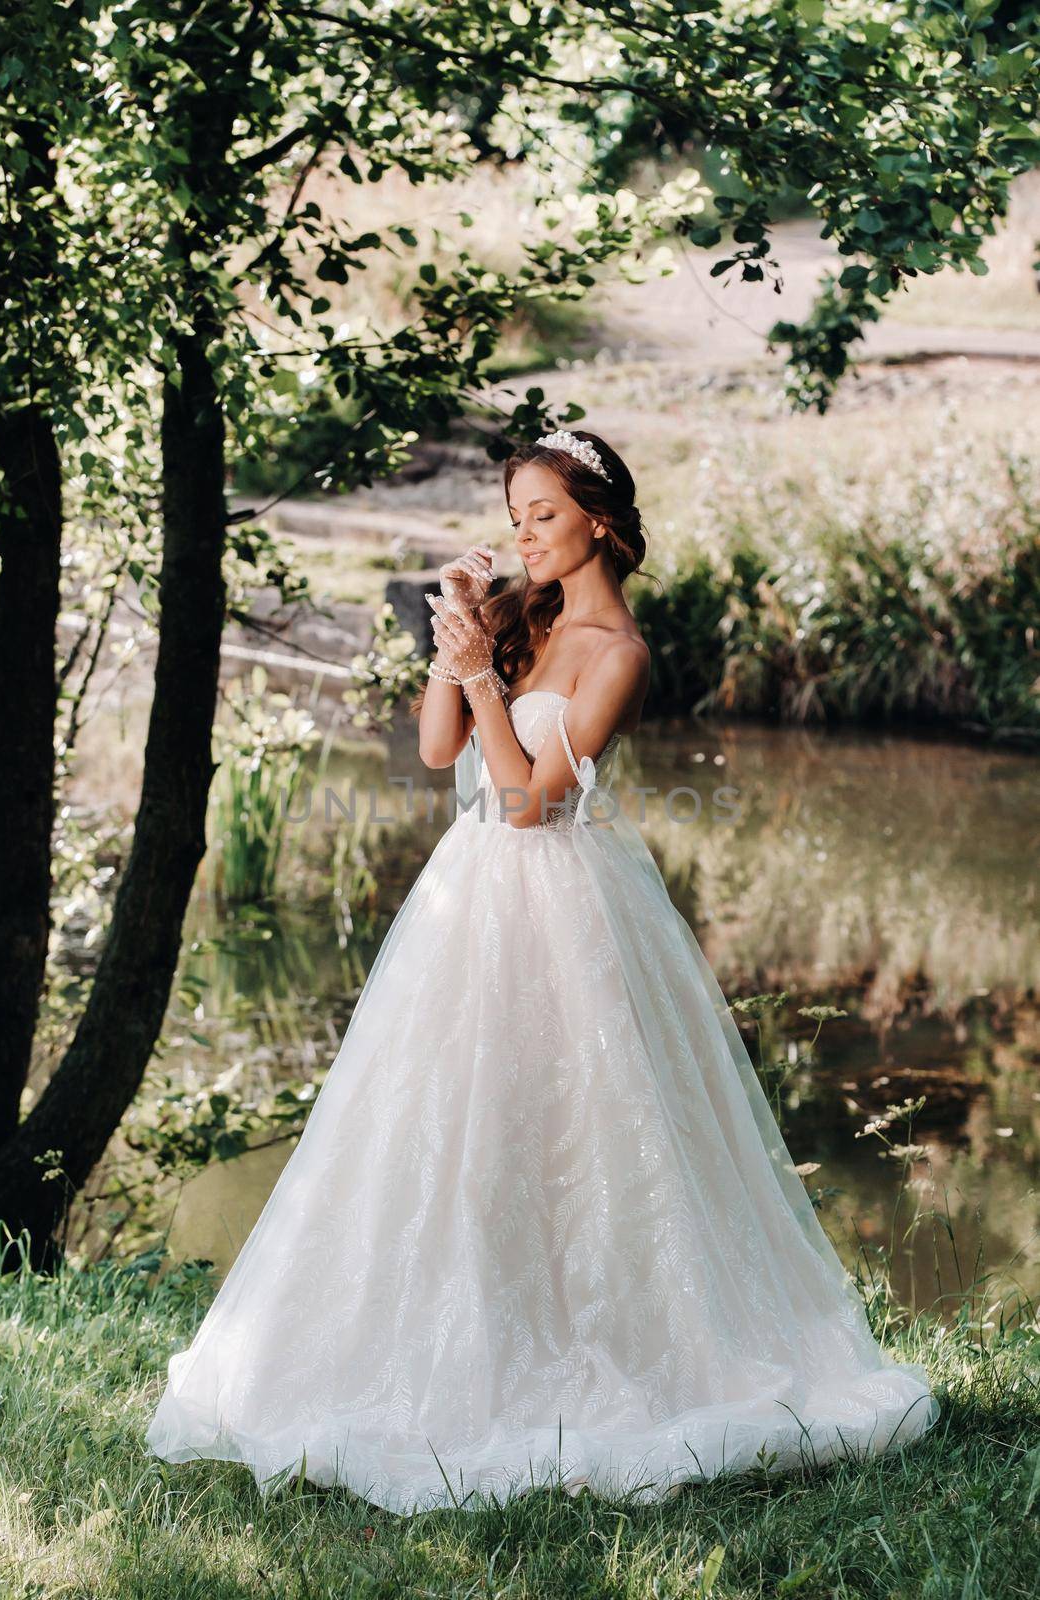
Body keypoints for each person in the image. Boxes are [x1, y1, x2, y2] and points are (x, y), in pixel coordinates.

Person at [145, 428, 939, 1514]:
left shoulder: (618, 653)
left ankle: (607, 1343)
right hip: (465, 897)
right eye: (514, 512)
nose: (522, 531)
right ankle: (446, 1336)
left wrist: (481, 679)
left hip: (565, 900)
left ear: (599, 521)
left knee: (583, 1127)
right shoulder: (525, 617)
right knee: (449, 1119)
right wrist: (459, 643)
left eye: (542, 514)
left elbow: (530, 802)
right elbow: (439, 754)